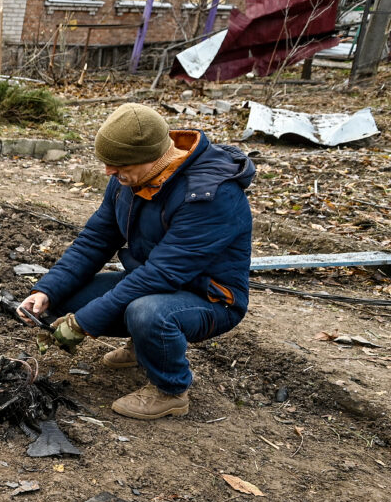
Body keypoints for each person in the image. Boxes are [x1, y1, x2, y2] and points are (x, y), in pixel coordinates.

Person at [18, 103, 255, 420]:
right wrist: (47, 290)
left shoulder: (209, 196)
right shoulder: (129, 178)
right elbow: (96, 239)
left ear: (153, 156)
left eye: (116, 164)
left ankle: (170, 389)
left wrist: (83, 323)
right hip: (154, 281)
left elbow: (161, 275)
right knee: (67, 296)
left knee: (147, 313)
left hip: (209, 297)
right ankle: (143, 348)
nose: (108, 173)